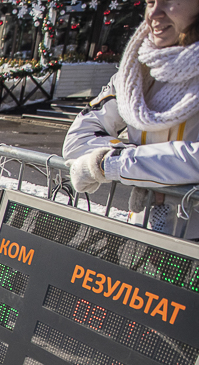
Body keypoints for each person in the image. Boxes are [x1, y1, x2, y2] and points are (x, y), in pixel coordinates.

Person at [64, 0, 199, 237]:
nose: (154, 13)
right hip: (141, 232)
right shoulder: (133, 73)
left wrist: (113, 165)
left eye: (169, 1)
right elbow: (78, 140)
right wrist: (126, 159)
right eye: (150, 2)